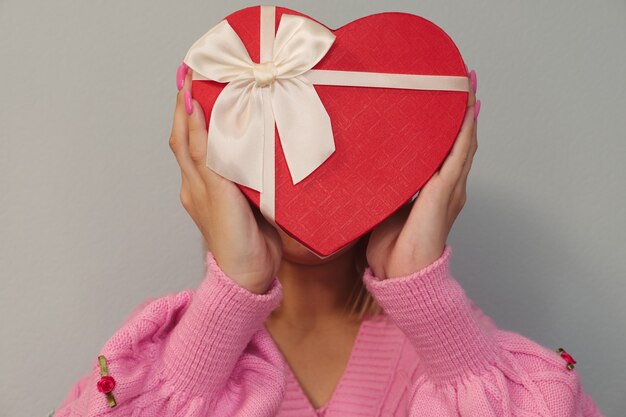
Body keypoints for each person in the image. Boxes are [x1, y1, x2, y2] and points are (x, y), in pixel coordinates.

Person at [51, 64, 604, 417]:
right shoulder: (173, 354)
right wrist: (232, 291)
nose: (309, 181)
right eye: (282, 150)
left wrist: (421, 286)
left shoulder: (452, 351)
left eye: (336, 153)